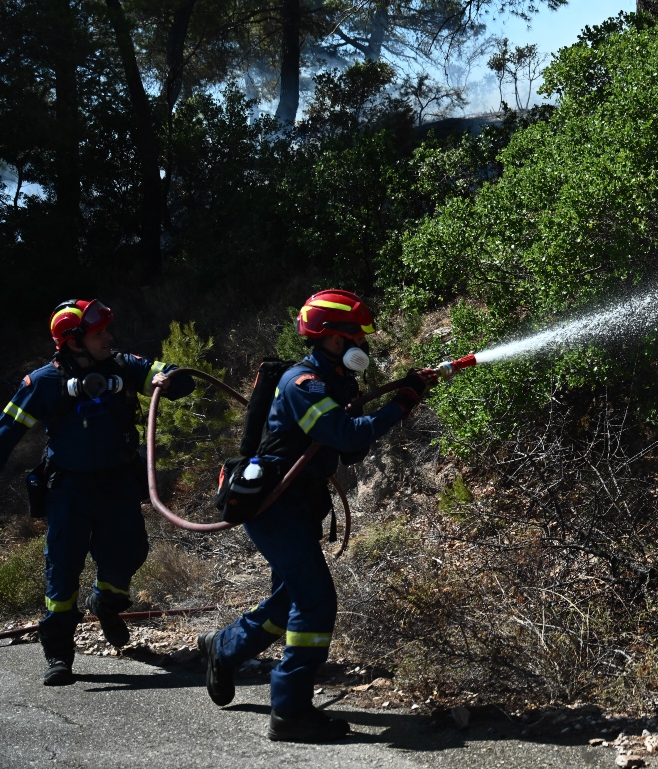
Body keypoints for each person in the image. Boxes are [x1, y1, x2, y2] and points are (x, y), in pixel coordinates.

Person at [196, 289, 436, 743]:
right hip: (274, 504)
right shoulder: (302, 384)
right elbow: (347, 436)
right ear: (327, 338)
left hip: (302, 503)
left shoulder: (337, 381)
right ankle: (289, 712)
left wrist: (390, 398)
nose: (361, 345)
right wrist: (402, 403)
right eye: (352, 335)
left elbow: (354, 447)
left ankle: (223, 649)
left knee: (290, 599)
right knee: (315, 600)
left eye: (361, 336)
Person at [0, 299, 196, 686]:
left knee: (131, 551)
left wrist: (168, 378)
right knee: (62, 569)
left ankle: (106, 602)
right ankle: (58, 653)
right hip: (68, 488)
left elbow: (184, 380)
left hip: (118, 483)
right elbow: (6, 432)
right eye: (99, 333)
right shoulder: (43, 382)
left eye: (107, 330)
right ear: (74, 342)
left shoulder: (125, 365)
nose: (109, 337)